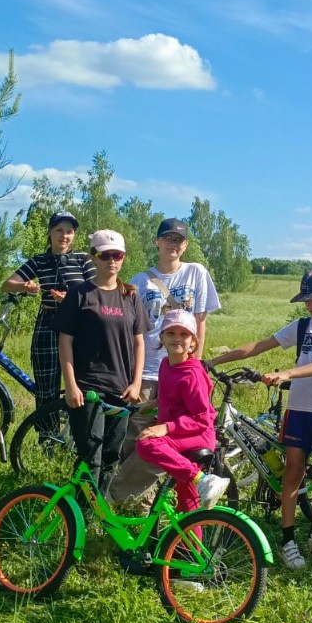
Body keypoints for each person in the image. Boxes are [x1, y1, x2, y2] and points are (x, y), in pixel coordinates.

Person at [209, 269, 312, 570]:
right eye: (306, 300)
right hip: (299, 408)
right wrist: (213, 361)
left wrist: (287, 373)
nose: (310, 306)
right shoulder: (301, 326)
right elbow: (260, 346)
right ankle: (288, 538)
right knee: (293, 473)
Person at [108, 217, 222, 506]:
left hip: (182, 371)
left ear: (184, 245)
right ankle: (143, 506)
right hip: (148, 370)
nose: (173, 244)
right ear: (156, 242)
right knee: (138, 441)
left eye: (179, 239)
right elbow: (125, 326)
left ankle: (121, 498)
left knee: (167, 441)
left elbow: (201, 320)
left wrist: (194, 361)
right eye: (167, 238)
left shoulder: (196, 273)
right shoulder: (139, 281)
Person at [53, 230, 149, 493]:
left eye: (117, 255)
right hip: (88, 390)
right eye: (104, 255)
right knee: (90, 455)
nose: (111, 261)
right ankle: (80, 515)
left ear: (123, 258)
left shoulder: (130, 296)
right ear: (94, 257)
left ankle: (100, 511)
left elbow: (139, 342)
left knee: (110, 456)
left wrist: (136, 383)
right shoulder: (80, 294)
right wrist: (71, 384)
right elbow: (65, 341)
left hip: (121, 390)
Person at [133, 309, 230, 517]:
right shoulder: (166, 364)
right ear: (161, 337)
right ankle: (189, 549)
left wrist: (165, 427)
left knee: (146, 443)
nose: (177, 339)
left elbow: (201, 418)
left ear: (193, 341)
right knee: (187, 503)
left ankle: (204, 479)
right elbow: (174, 398)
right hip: (180, 434)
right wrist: (152, 403)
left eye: (184, 334)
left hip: (198, 434)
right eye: (171, 333)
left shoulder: (192, 373)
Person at [0, 210, 95, 413]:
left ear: (74, 235)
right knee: (45, 386)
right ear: (50, 233)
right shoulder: (39, 261)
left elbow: (98, 293)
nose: (64, 235)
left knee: (81, 384)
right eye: (59, 230)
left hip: (79, 325)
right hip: (48, 323)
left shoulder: (83, 259)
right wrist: (26, 286)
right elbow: (7, 285)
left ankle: (78, 436)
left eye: (69, 231)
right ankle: (47, 439)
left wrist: (70, 299)